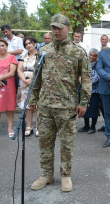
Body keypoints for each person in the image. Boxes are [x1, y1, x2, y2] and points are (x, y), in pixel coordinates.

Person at [29, 14, 91, 192]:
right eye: (53, 28)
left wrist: (84, 102)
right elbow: (36, 77)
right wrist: (33, 98)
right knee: (45, 142)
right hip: (46, 105)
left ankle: (66, 176)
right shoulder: (44, 51)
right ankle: (46, 174)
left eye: (59, 28)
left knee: (66, 144)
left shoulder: (78, 52)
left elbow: (86, 79)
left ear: (68, 29)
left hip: (67, 107)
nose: (56, 31)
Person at [17, 37, 38, 136]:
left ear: (35, 44)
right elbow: (19, 70)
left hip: (37, 82)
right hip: (24, 83)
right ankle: (29, 126)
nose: (28, 45)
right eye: (26, 44)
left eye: (30, 43)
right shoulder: (23, 56)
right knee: (28, 106)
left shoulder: (40, 55)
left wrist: (33, 80)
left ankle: (38, 126)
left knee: (37, 105)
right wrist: (24, 80)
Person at [78, 48, 101, 134]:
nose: (92, 57)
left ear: (97, 57)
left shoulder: (98, 65)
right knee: (85, 108)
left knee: (94, 109)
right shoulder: (84, 63)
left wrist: (82, 80)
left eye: (94, 55)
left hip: (94, 91)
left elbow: (96, 78)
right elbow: (78, 74)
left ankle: (93, 127)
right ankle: (86, 125)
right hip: (83, 90)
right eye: (90, 55)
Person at [1, 24, 24, 91]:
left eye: (6, 31)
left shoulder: (18, 39)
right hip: (6, 65)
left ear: (10, 30)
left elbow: (20, 51)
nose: (5, 33)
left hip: (17, 64)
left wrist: (7, 53)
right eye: (4, 32)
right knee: (8, 83)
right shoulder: (4, 40)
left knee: (17, 83)